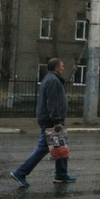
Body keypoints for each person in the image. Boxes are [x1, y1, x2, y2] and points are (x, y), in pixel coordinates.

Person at [10, 58, 75, 187]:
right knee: (43, 148)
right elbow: (52, 102)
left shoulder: (49, 79)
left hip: (49, 119)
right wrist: (57, 121)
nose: (63, 68)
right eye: (62, 66)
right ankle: (20, 173)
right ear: (56, 67)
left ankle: (61, 174)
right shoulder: (53, 81)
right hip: (51, 121)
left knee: (60, 146)